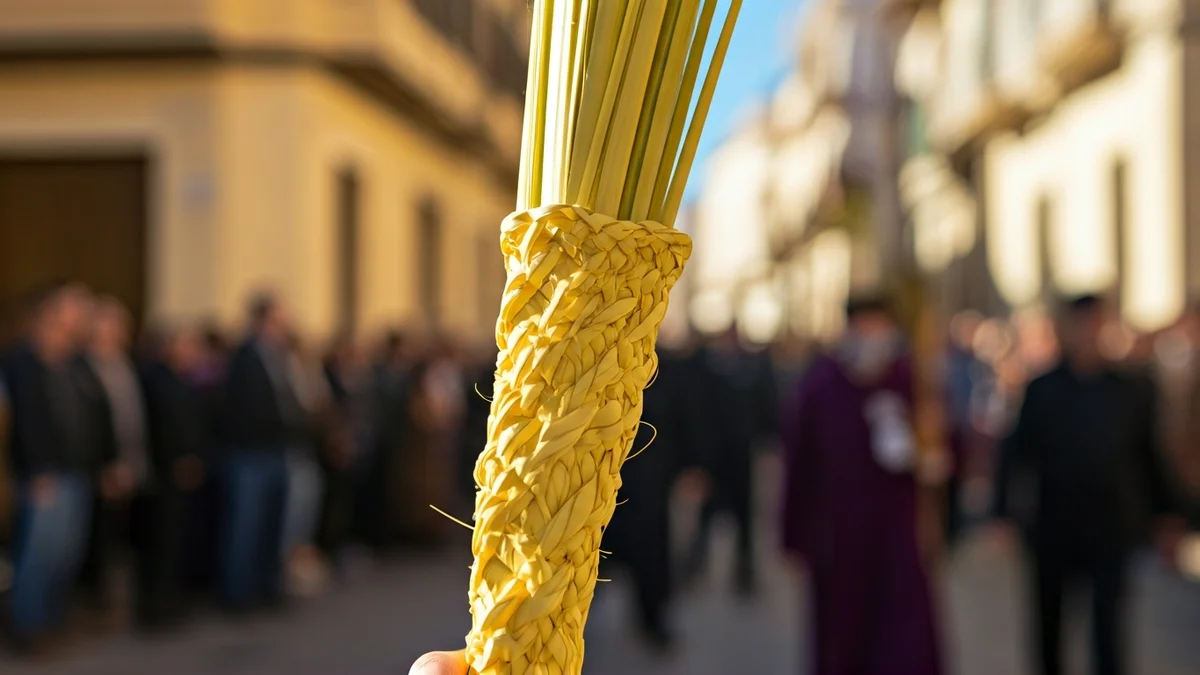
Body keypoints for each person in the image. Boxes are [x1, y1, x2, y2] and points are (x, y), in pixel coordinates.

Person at [991, 294, 1184, 675]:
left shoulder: (1131, 390)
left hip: (1111, 526)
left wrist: (1168, 513)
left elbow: (1150, 455)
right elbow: (1015, 453)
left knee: (1109, 627)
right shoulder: (1043, 389)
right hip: (1054, 526)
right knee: (1049, 625)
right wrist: (1003, 514)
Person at [780, 296, 943, 675]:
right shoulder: (820, 385)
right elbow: (798, 462)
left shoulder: (910, 380)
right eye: (863, 327)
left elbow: (940, 450)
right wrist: (793, 533)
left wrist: (925, 451)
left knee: (902, 636)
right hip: (838, 537)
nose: (871, 337)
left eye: (879, 327)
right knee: (844, 635)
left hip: (897, 536)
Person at [3, 283, 115, 652]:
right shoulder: (22, 362)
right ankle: (28, 627)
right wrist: (34, 470)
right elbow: (20, 423)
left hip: (77, 471)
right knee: (38, 552)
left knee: (66, 552)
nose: (82, 316)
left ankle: (51, 620)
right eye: (73, 308)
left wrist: (103, 462)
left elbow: (96, 416)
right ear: (49, 313)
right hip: (44, 476)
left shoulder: (77, 363)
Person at [217, 292, 304, 612]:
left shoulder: (281, 356)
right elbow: (241, 408)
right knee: (246, 527)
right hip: (250, 453)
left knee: (272, 525)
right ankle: (239, 593)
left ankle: (266, 587)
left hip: (276, 449)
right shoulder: (245, 356)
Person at [684, 326, 776, 594]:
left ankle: (744, 571)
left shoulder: (752, 369)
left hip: (741, 455)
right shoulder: (705, 371)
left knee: (744, 518)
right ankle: (694, 566)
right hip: (712, 457)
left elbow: (765, 407)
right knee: (706, 516)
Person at [78, 296, 149, 626]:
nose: (117, 330)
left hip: (132, 462)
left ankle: (113, 602)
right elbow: (90, 424)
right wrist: (107, 465)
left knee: (123, 539)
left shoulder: (127, 363)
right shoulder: (84, 366)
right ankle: (93, 604)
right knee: (97, 540)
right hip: (103, 468)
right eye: (110, 323)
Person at [134, 324, 208, 629]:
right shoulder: (156, 379)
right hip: (164, 474)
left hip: (184, 471)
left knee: (177, 540)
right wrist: (175, 461)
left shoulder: (182, 380)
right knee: (160, 542)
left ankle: (171, 600)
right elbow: (158, 428)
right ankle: (155, 607)